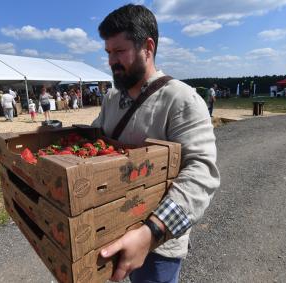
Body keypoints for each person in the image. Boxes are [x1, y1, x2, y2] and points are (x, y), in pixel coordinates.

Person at [93, 4, 220, 282]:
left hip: (158, 245)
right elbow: (96, 139)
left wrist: (151, 233)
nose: (112, 61)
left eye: (119, 51)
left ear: (147, 48)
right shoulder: (112, 98)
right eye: (108, 53)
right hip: (115, 225)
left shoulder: (182, 100)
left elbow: (202, 173)